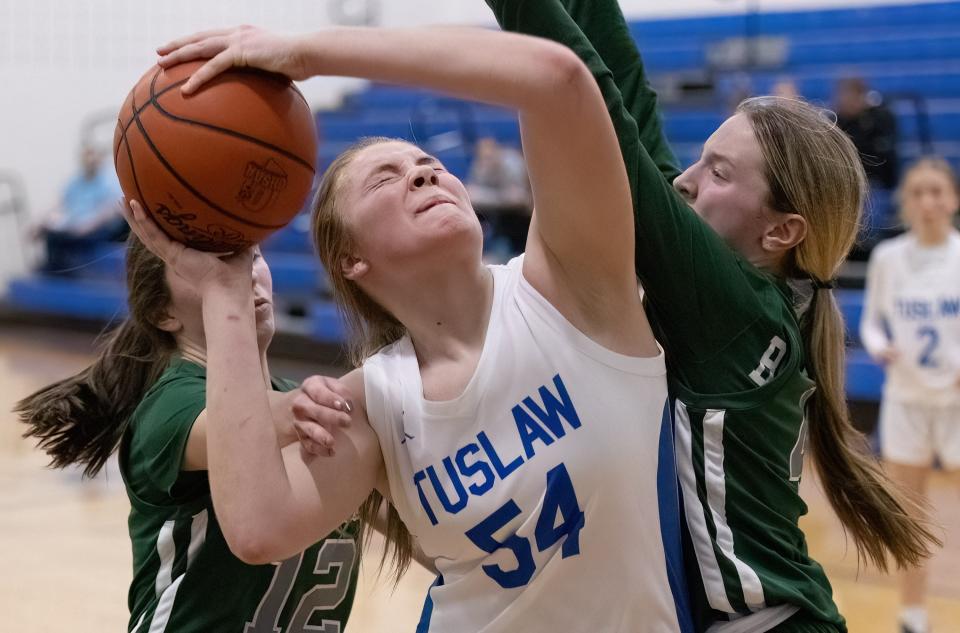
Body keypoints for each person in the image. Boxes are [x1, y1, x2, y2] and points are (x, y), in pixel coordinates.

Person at [128, 21, 695, 633]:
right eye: (385, 179)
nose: (423, 175)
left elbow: (556, 79)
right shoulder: (374, 404)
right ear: (353, 261)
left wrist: (309, 52)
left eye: (428, 165)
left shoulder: (570, 284)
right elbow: (259, 528)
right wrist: (226, 296)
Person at [483, 1, 940, 631]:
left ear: (782, 230)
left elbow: (605, 117)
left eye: (718, 172)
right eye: (701, 158)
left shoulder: (735, 310)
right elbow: (632, 99)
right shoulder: (752, 296)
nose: (685, 181)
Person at [16, 235, 361, 632]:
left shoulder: (297, 401)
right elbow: (243, 428)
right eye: (212, 270)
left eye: (253, 255)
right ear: (164, 313)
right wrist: (347, 402)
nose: (244, 276)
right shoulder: (170, 408)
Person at [860, 157, 960, 633]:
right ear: (907, 202)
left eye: (937, 191)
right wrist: (881, 348)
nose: (928, 201)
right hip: (906, 398)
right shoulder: (888, 258)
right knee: (910, 513)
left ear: (953, 200)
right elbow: (871, 322)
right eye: (918, 192)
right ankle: (913, 614)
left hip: (957, 400)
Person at [34, 144, 127, 274]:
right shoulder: (75, 182)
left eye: (93, 156)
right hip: (76, 225)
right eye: (86, 157)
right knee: (51, 234)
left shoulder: (109, 180)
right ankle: (56, 269)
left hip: (100, 227)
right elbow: (60, 203)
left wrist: (87, 226)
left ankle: (58, 270)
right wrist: (42, 221)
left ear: (99, 159)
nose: (90, 160)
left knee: (57, 239)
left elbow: (113, 209)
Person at [835, 76, 899, 190]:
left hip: (877, 179)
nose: (848, 101)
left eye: (854, 95)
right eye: (845, 95)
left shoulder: (878, 117)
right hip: (847, 179)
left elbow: (884, 155)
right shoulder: (836, 121)